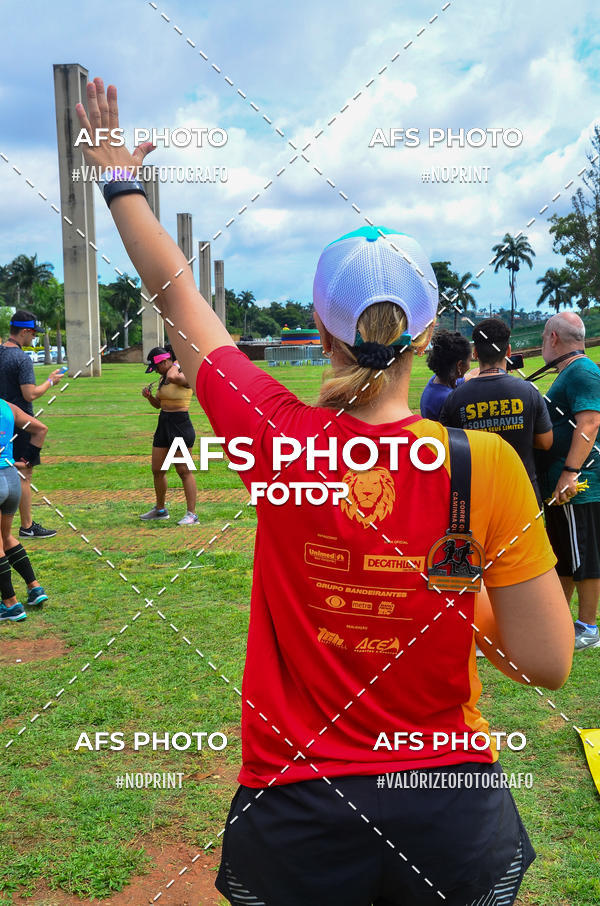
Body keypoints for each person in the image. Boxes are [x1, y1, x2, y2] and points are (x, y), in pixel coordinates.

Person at [75, 79, 574, 906]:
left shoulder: (278, 434)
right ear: (425, 332)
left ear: (320, 322)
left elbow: (178, 296)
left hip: (298, 806)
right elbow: (549, 662)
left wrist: (118, 178)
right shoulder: (482, 464)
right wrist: (450, 599)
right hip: (447, 806)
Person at [535, 312, 600, 651]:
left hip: (579, 484)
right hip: (563, 484)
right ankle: (563, 621)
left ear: (553, 338)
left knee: (583, 555)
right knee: (564, 553)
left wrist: (570, 472)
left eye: (544, 337)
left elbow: (589, 422)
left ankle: (588, 627)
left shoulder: (582, 371)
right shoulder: (571, 371)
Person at [439, 318, 553, 505]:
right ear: (508, 351)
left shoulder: (455, 398)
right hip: (522, 495)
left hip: (477, 497)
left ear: (475, 353)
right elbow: (545, 442)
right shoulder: (529, 391)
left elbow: (447, 450)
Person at [0, 311, 64, 538]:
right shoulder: (21, 358)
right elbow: (30, 394)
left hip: (1, 419)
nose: (34, 338)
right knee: (23, 474)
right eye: (34, 333)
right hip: (20, 422)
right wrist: (50, 381)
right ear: (25, 331)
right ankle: (27, 526)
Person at [0, 397, 50, 623]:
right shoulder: (7, 406)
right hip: (11, 480)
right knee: (6, 536)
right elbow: (40, 429)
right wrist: (28, 461)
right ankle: (35, 588)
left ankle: (10, 604)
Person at [140, 345, 198, 525]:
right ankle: (160, 509)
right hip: (164, 423)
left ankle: (191, 514)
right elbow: (159, 404)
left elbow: (174, 376)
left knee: (183, 470)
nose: (156, 371)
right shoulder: (163, 377)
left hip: (180, 424)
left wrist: (177, 360)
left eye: (157, 366)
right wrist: (149, 397)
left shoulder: (181, 374)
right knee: (157, 470)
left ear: (166, 361)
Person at [419, 329, 472, 419]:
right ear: (459, 365)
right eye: (469, 360)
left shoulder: (438, 380)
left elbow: (472, 376)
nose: (469, 366)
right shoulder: (448, 399)